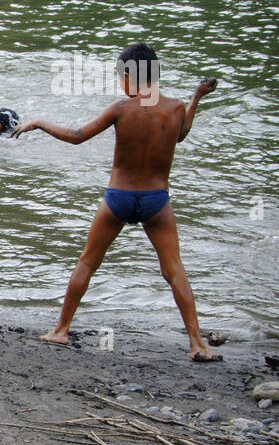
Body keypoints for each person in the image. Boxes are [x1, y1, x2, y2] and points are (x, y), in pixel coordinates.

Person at [13, 43, 221, 361]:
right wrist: (196, 98)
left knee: (87, 263)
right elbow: (179, 134)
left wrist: (40, 122)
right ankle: (196, 344)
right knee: (174, 269)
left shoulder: (121, 108)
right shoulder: (176, 107)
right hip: (156, 201)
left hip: (118, 198)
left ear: (130, 76)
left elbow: (77, 135)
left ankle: (61, 330)